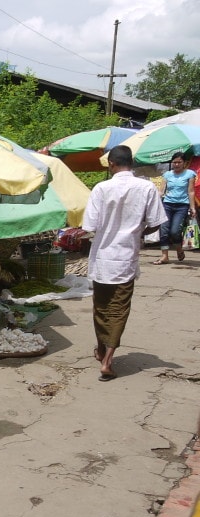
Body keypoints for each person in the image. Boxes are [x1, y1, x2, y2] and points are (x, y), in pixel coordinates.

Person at [81, 145, 166, 381]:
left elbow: (90, 226)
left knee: (101, 307)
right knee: (119, 309)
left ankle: (102, 352)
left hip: (103, 259)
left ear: (111, 164)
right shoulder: (147, 187)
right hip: (126, 258)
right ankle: (106, 358)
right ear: (132, 163)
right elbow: (157, 222)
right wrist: (139, 231)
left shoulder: (101, 188)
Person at [152, 152, 197, 264]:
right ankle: (164, 256)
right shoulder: (167, 174)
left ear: (184, 163)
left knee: (175, 231)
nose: (176, 164)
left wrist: (192, 208)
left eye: (179, 162)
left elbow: (191, 191)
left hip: (182, 206)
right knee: (164, 229)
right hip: (167, 204)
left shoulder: (190, 174)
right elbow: (161, 191)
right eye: (174, 162)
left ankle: (179, 249)